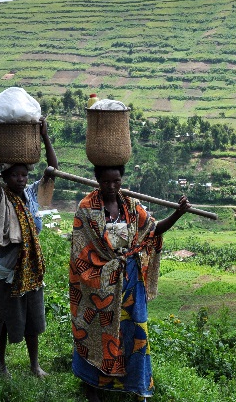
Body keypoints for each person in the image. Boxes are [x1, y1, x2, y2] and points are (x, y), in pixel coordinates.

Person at [69, 164, 191, 401]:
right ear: (97, 181)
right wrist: (105, 270)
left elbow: (153, 230)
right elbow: (80, 252)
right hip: (99, 285)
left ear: (121, 180)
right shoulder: (86, 209)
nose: (112, 187)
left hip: (131, 281)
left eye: (116, 181)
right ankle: (94, 385)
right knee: (98, 331)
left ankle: (137, 385)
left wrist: (178, 213)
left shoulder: (131, 207)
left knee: (134, 333)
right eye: (106, 182)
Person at [0, 116, 58, 378]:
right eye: (15, 175)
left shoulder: (31, 195)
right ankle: (0, 366)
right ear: (6, 177)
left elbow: (52, 169)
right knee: (2, 320)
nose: (21, 179)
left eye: (24, 174)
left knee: (33, 321)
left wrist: (45, 136)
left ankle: (34, 365)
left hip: (30, 269)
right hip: (7, 271)